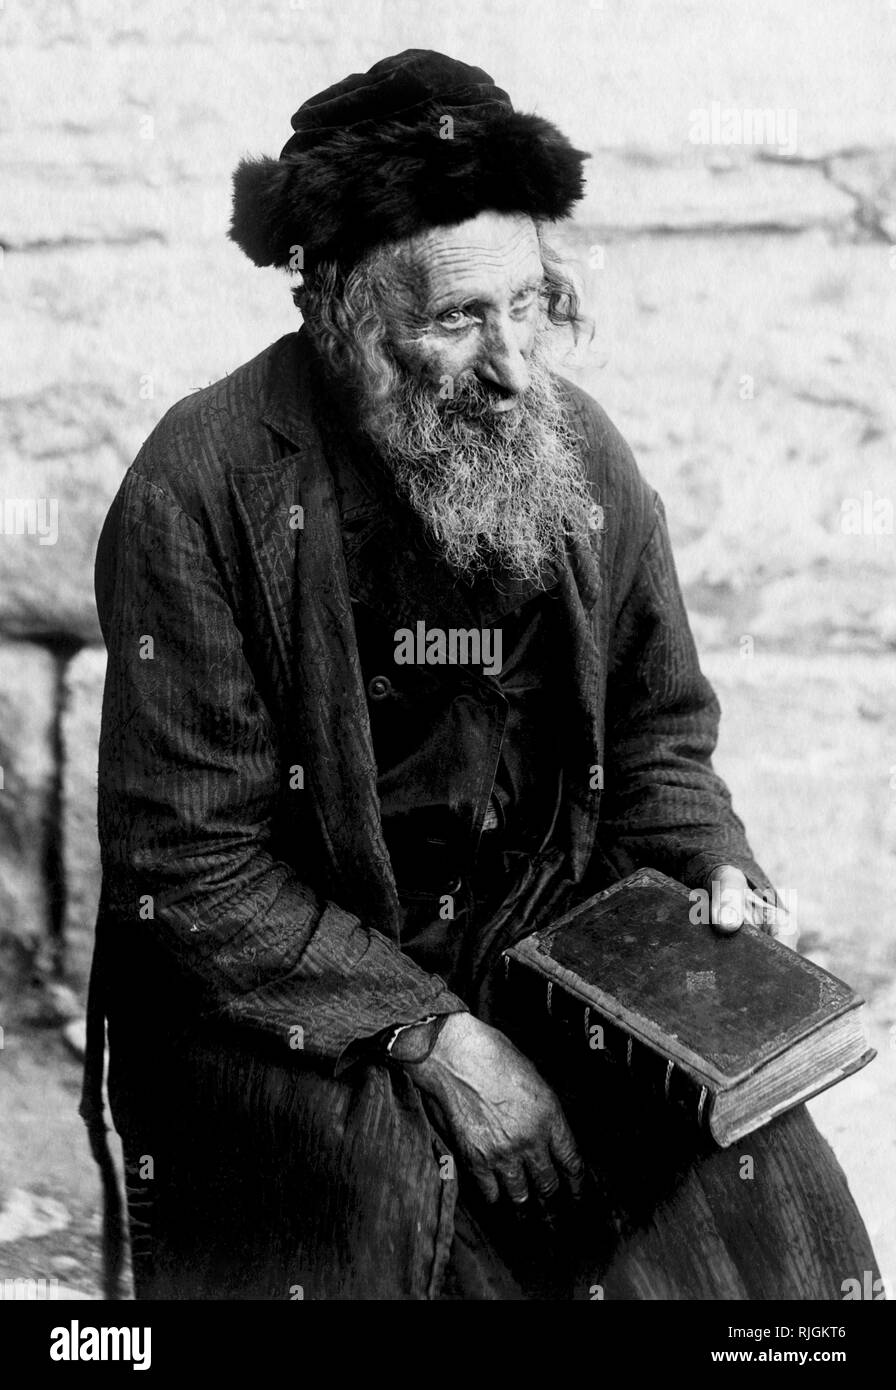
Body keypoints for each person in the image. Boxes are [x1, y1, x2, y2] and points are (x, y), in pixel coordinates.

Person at [81, 48, 880, 1300]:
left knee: (756, 1194)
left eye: (528, 305)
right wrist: (438, 1036)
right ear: (339, 312)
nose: (513, 364)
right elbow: (192, 869)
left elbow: (660, 739)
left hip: (534, 938)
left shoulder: (575, 450)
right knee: (414, 1222)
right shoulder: (202, 487)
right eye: (459, 319)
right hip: (296, 989)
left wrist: (713, 869)